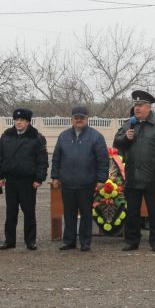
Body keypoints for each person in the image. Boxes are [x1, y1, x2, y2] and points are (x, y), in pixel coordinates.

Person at [114, 90, 155, 252]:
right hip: (133, 176)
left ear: (149, 107)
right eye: (135, 105)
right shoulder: (128, 124)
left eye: (140, 105)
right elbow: (117, 144)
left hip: (153, 177)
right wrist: (125, 138)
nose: (137, 108)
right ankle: (131, 241)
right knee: (132, 212)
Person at [51, 106, 109, 252]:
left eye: (81, 117)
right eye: (76, 117)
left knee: (86, 214)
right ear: (72, 119)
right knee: (69, 214)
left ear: (87, 118)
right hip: (68, 183)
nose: (78, 120)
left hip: (87, 183)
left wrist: (102, 179)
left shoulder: (96, 136)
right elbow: (56, 158)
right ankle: (69, 241)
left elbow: (103, 160)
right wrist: (55, 176)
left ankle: (85, 242)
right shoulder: (63, 136)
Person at [0, 108, 49, 251]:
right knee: (11, 212)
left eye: (22, 120)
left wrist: (39, 178)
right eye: (17, 120)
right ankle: (9, 240)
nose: (18, 122)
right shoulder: (7, 136)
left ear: (27, 122)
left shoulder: (36, 138)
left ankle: (30, 241)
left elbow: (42, 160)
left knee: (29, 212)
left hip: (28, 181)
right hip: (11, 180)